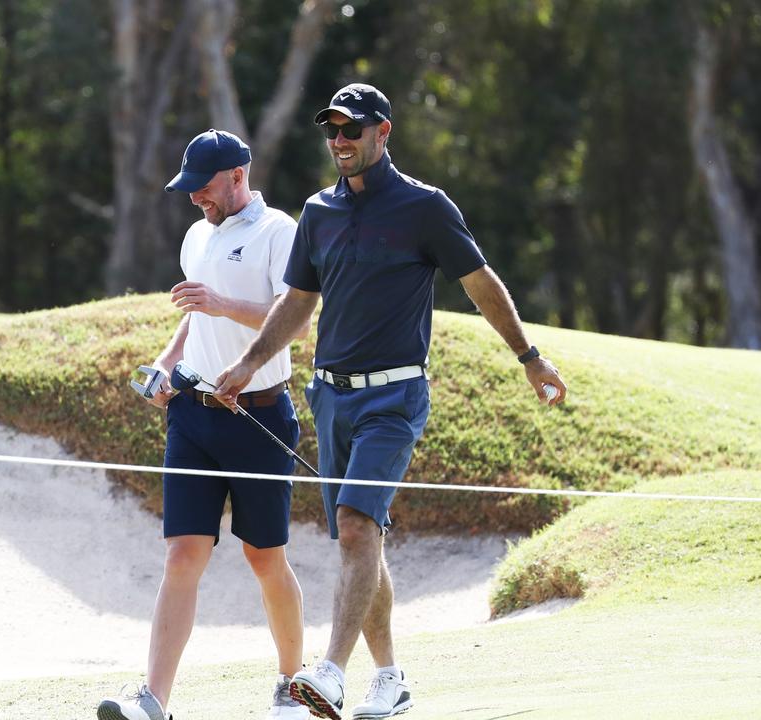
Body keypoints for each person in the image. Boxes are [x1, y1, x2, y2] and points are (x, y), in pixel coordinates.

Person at [213, 84, 568, 720]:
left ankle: (329, 672)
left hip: (396, 397)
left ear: (384, 133)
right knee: (361, 539)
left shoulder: (424, 208)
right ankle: (391, 678)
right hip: (331, 398)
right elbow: (296, 301)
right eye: (332, 130)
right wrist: (246, 364)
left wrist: (528, 356)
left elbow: (480, 284)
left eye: (352, 129)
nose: (339, 140)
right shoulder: (318, 212)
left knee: (355, 527)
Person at [98, 130, 311, 720]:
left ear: (238, 175)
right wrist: (166, 368)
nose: (195, 198)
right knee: (181, 555)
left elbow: (294, 322)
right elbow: (194, 322)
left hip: (258, 413)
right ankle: (154, 700)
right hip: (192, 416)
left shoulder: (280, 233)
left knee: (264, 557)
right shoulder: (197, 235)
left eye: (204, 187)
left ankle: (292, 685)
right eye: (189, 188)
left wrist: (220, 303)